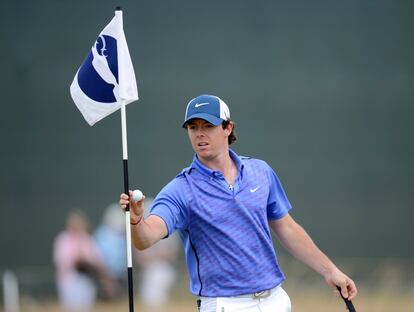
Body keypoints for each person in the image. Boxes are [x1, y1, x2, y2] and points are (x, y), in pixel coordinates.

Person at [119, 94, 357, 312]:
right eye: (193, 128)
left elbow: (287, 228)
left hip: (275, 300)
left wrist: (330, 271)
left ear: (227, 128)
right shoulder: (181, 189)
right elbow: (146, 238)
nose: (199, 134)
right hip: (224, 305)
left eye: (208, 126)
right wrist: (136, 219)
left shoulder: (260, 171)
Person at [53, 210, 118, 312]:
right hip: (69, 280)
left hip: (87, 280)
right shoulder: (63, 239)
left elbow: (97, 261)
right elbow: (62, 261)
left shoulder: (87, 239)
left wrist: (106, 279)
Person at [134, 197, 180, 307]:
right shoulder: (140, 233)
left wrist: (158, 256)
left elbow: (172, 253)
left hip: (164, 268)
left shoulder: (169, 228)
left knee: (159, 274)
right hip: (147, 270)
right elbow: (140, 257)